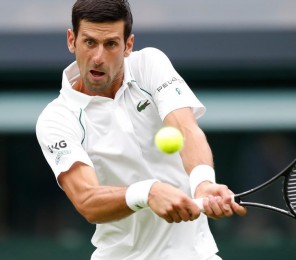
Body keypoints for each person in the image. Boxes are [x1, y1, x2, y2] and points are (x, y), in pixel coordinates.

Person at [35, 0, 246, 259]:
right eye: (89, 42)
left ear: (128, 45)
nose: (98, 57)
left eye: (111, 44)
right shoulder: (57, 118)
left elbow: (185, 128)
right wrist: (148, 192)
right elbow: (87, 200)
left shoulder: (149, 64)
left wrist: (203, 182)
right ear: (71, 40)